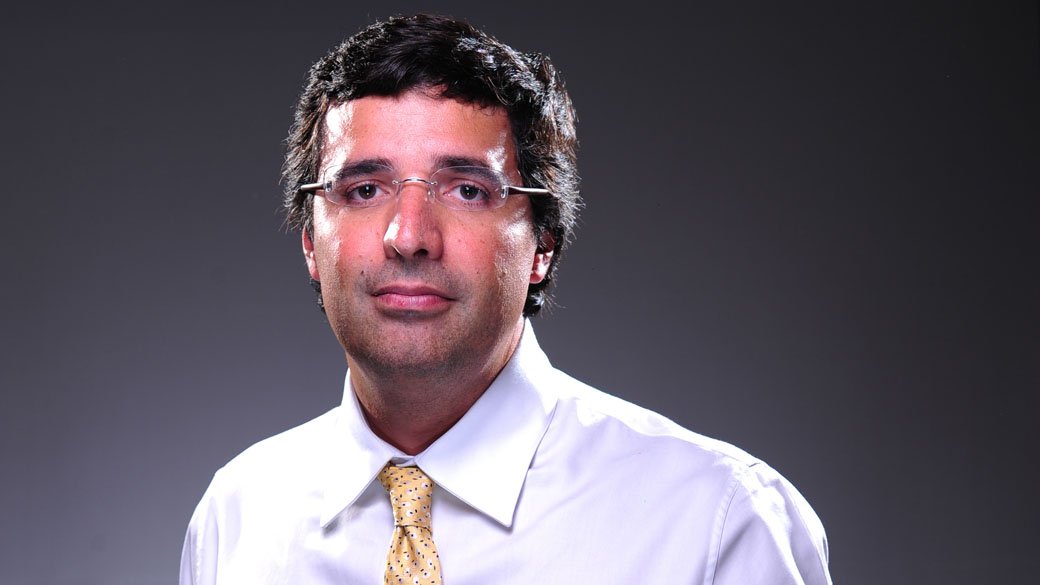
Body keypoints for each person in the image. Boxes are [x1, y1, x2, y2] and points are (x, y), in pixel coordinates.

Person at [180, 14, 832, 585]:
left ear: (543, 242)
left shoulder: (715, 524)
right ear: (309, 242)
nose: (409, 235)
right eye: (364, 189)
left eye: (467, 189)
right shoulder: (235, 521)